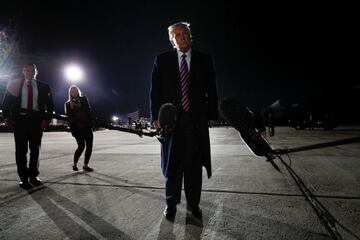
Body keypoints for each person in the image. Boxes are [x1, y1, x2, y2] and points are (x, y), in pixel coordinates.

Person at [150, 22, 219, 220]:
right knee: (172, 165)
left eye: (185, 33)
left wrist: (212, 114)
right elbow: (155, 91)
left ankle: (193, 204)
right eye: (177, 35)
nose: (181, 37)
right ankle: (171, 203)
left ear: (190, 36)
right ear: (172, 40)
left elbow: (211, 88)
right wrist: (156, 117)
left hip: (194, 122)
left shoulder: (204, 59)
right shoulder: (162, 60)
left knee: (193, 166)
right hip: (171, 123)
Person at [2, 63, 54, 189]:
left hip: (36, 120)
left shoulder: (44, 86)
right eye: (26, 70)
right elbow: (6, 102)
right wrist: (7, 117)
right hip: (20, 120)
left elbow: (50, 105)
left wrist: (47, 119)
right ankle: (24, 178)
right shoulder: (15, 84)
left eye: (31, 70)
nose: (28, 72)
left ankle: (33, 176)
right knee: (21, 151)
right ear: (23, 71)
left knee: (35, 150)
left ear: (35, 72)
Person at [64, 85, 94, 172]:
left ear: (78, 91)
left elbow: (88, 109)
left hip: (87, 126)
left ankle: (86, 165)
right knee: (81, 146)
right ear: (70, 93)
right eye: (72, 91)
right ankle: (75, 164)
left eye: (76, 90)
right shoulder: (68, 104)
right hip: (77, 129)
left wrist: (78, 105)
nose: (74, 92)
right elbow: (69, 117)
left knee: (89, 146)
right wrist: (71, 108)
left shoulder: (83, 99)